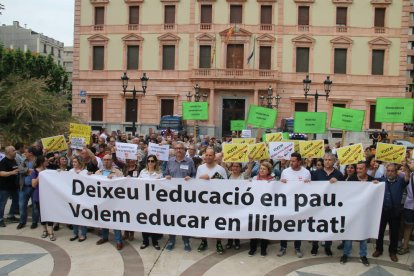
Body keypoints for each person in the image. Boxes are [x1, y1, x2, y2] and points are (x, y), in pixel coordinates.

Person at [340, 161, 378, 266]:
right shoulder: (352, 179)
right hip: (352, 212)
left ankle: (363, 255)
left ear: (366, 169)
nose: (358, 170)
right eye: (358, 168)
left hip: (365, 213)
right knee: (349, 234)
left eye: (361, 168)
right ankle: (346, 254)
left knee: (363, 235)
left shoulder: (371, 180)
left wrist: (376, 185)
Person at [164, 141, 196, 252]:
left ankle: (186, 241)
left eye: (181, 148)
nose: (178, 150)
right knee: (172, 219)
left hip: (185, 197)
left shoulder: (189, 161)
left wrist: (191, 179)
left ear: (184, 150)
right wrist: (167, 176)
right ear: (174, 149)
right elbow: (165, 174)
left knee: (184, 219)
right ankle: (172, 240)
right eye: (176, 148)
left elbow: (194, 175)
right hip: (172, 197)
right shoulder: (170, 161)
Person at [278, 152, 311, 258]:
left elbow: (311, 189)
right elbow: (280, 188)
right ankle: (283, 246)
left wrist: (308, 184)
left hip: (300, 204)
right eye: (290, 161)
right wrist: (281, 182)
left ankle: (297, 247)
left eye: (293, 161)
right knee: (284, 225)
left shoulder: (306, 172)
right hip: (286, 203)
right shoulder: (285, 172)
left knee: (298, 226)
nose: (291, 163)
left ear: (299, 162)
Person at [310, 153, 344, 256]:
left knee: (329, 226)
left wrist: (338, 182)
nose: (327, 161)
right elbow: (310, 188)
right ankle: (314, 246)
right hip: (318, 205)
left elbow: (344, 189)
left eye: (330, 160)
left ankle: (328, 247)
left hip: (331, 206)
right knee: (316, 225)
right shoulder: (316, 173)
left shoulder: (338, 174)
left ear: (334, 161)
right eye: (325, 160)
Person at [372, 163, 406, 262]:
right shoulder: (381, 180)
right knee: (380, 231)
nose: (390, 173)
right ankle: (379, 249)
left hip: (395, 211)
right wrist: (374, 179)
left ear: (396, 172)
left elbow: (407, 178)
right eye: (388, 171)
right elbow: (370, 181)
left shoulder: (400, 181)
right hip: (382, 210)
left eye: (392, 171)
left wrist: (406, 167)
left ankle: (392, 252)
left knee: (394, 232)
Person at [196, 148, 227, 254]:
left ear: (214, 157)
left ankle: (219, 242)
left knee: (218, 222)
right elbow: (196, 183)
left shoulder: (220, 169)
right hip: (203, 200)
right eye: (206, 155)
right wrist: (201, 177)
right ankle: (204, 241)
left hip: (216, 201)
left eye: (210, 155)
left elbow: (226, 186)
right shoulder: (200, 168)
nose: (208, 157)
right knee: (203, 222)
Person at [95, 154, 124, 250]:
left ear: (112, 161)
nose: (106, 161)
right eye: (104, 160)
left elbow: (123, 186)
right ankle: (104, 237)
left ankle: (119, 240)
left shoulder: (118, 173)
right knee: (103, 219)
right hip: (102, 201)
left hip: (114, 201)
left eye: (108, 160)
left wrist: (114, 180)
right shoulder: (98, 173)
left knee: (115, 221)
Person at [225, 161, 253, 250]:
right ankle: (229, 241)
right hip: (229, 204)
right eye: (233, 166)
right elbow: (223, 166)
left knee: (236, 224)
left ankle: (237, 242)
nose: (235, 168)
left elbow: (249, 170)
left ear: (240, 168)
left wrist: (250, 161)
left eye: (237, 166)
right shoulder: (228, 175)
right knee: (229, 223)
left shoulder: (243, 176)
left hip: (240, 204)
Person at [248, 161, 274, 257]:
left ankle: (263, 249)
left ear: (268, 171)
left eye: (264, 169)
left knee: (265, 229)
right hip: (256, 208)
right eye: (260, 168)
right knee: (254, 228)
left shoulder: (273, 181)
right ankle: (252, 248)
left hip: (267, 208)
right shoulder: (254, 179)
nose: (261, 170)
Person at [138, 154, 163, 250]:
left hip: (155, 202)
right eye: (149, 161)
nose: (150, 163)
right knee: (144, 221)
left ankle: (155, 241)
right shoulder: (142, 172)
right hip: (144, 201)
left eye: (152, 161)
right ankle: (145, 241)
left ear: (155, 162)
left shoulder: (159, 173)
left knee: (154, 221)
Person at [31, 156, 56, 241]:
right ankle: (44, 230)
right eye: (46, 161)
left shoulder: (48, 171)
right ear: (41, 162)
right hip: (38, 196)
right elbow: (33, 184)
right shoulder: (34, 171)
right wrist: (40, 175)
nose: (48, 161)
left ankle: (51, 232)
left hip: (48, 196)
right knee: (42, 214)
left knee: (50, 214)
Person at [17, 146, 39, 229]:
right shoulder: (24, 160)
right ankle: (22, 222)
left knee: (35, 207)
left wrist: (32, 171)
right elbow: (20, 169)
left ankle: (34, 222)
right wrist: (29, 170)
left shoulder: (38, 160)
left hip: (35, 188)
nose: (24, 153)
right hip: (24, 187)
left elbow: (39, 170)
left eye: (26, 152)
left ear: (31, 153)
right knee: (22, 206)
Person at [68, 156, 88, 242]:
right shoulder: (70, 171)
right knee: (74, 215)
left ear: (80, 163)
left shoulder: (85, 171)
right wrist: (59, 173)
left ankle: (83, 234)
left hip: (82, 196)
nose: (74, 164)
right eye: (73, 162)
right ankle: (75, 233)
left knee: (82, 215)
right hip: (73, 196)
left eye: (75, 162)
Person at [0, 146, 19, 227]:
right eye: (14, 150)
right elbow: (1, 173)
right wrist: (12, 172)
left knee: (16, 201)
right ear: (8, 152)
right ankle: (0, 219)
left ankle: (10, 215)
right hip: (4, 187)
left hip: (14, 186)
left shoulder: (14, 160)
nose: (16, 151)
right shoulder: (3, 162)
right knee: (2, 203)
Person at [399, 160, 414, 256]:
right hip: (410, 205)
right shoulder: (409, 175)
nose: (412, 163)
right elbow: (393, 172)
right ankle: (405, 247)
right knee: (408, 226)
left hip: (410, 205)